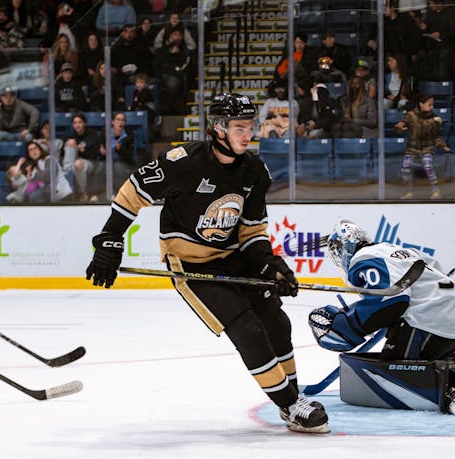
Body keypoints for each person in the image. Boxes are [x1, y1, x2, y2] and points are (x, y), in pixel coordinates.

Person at [84, 92, 329, 434]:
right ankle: (290, 404)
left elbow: (252, 232)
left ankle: (293, 399)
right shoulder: (182, 162)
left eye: (250, 126)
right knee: (248, 329)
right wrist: (111, 239)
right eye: (240, 127)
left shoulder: (255, 171)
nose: (248, 134)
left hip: (234, 258)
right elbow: (133, 189)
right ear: (218, 128)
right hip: (192, 265)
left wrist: (270, 264)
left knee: (277, 323)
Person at [308, 220, 455, 415]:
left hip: (428, 322)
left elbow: (393, 301)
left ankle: (453, 386)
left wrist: (351, 324)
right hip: (453, 318)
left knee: (390, 369)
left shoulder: (364, 259)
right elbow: (435, 271)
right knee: (411, 355)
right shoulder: (394, 250)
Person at [395, 93, 450, 199]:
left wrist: (442, 145)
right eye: (429, 105)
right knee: (405, 168)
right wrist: (399, 127)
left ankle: (436, 191)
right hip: (412, 148)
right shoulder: (410, 115)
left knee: (428, 166)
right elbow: (402, 124)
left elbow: (437, 135)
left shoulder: (434, 118)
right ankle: (409, 191)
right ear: (421, 104)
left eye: (432, 105)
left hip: (427, 148)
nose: (432, 107)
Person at [62, 112, 104, 201]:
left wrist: (83, 150)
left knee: (78, 163)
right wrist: (76, 148)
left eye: (80, 122)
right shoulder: (71, 136)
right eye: (75, 123)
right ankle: (67, 171)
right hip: (73, 162)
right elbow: (64, 153)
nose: (77, 125)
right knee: (71, 143)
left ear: (84, 123)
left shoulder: (92, 135)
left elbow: (95, 154)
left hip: (91, 162)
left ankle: (82, 192)